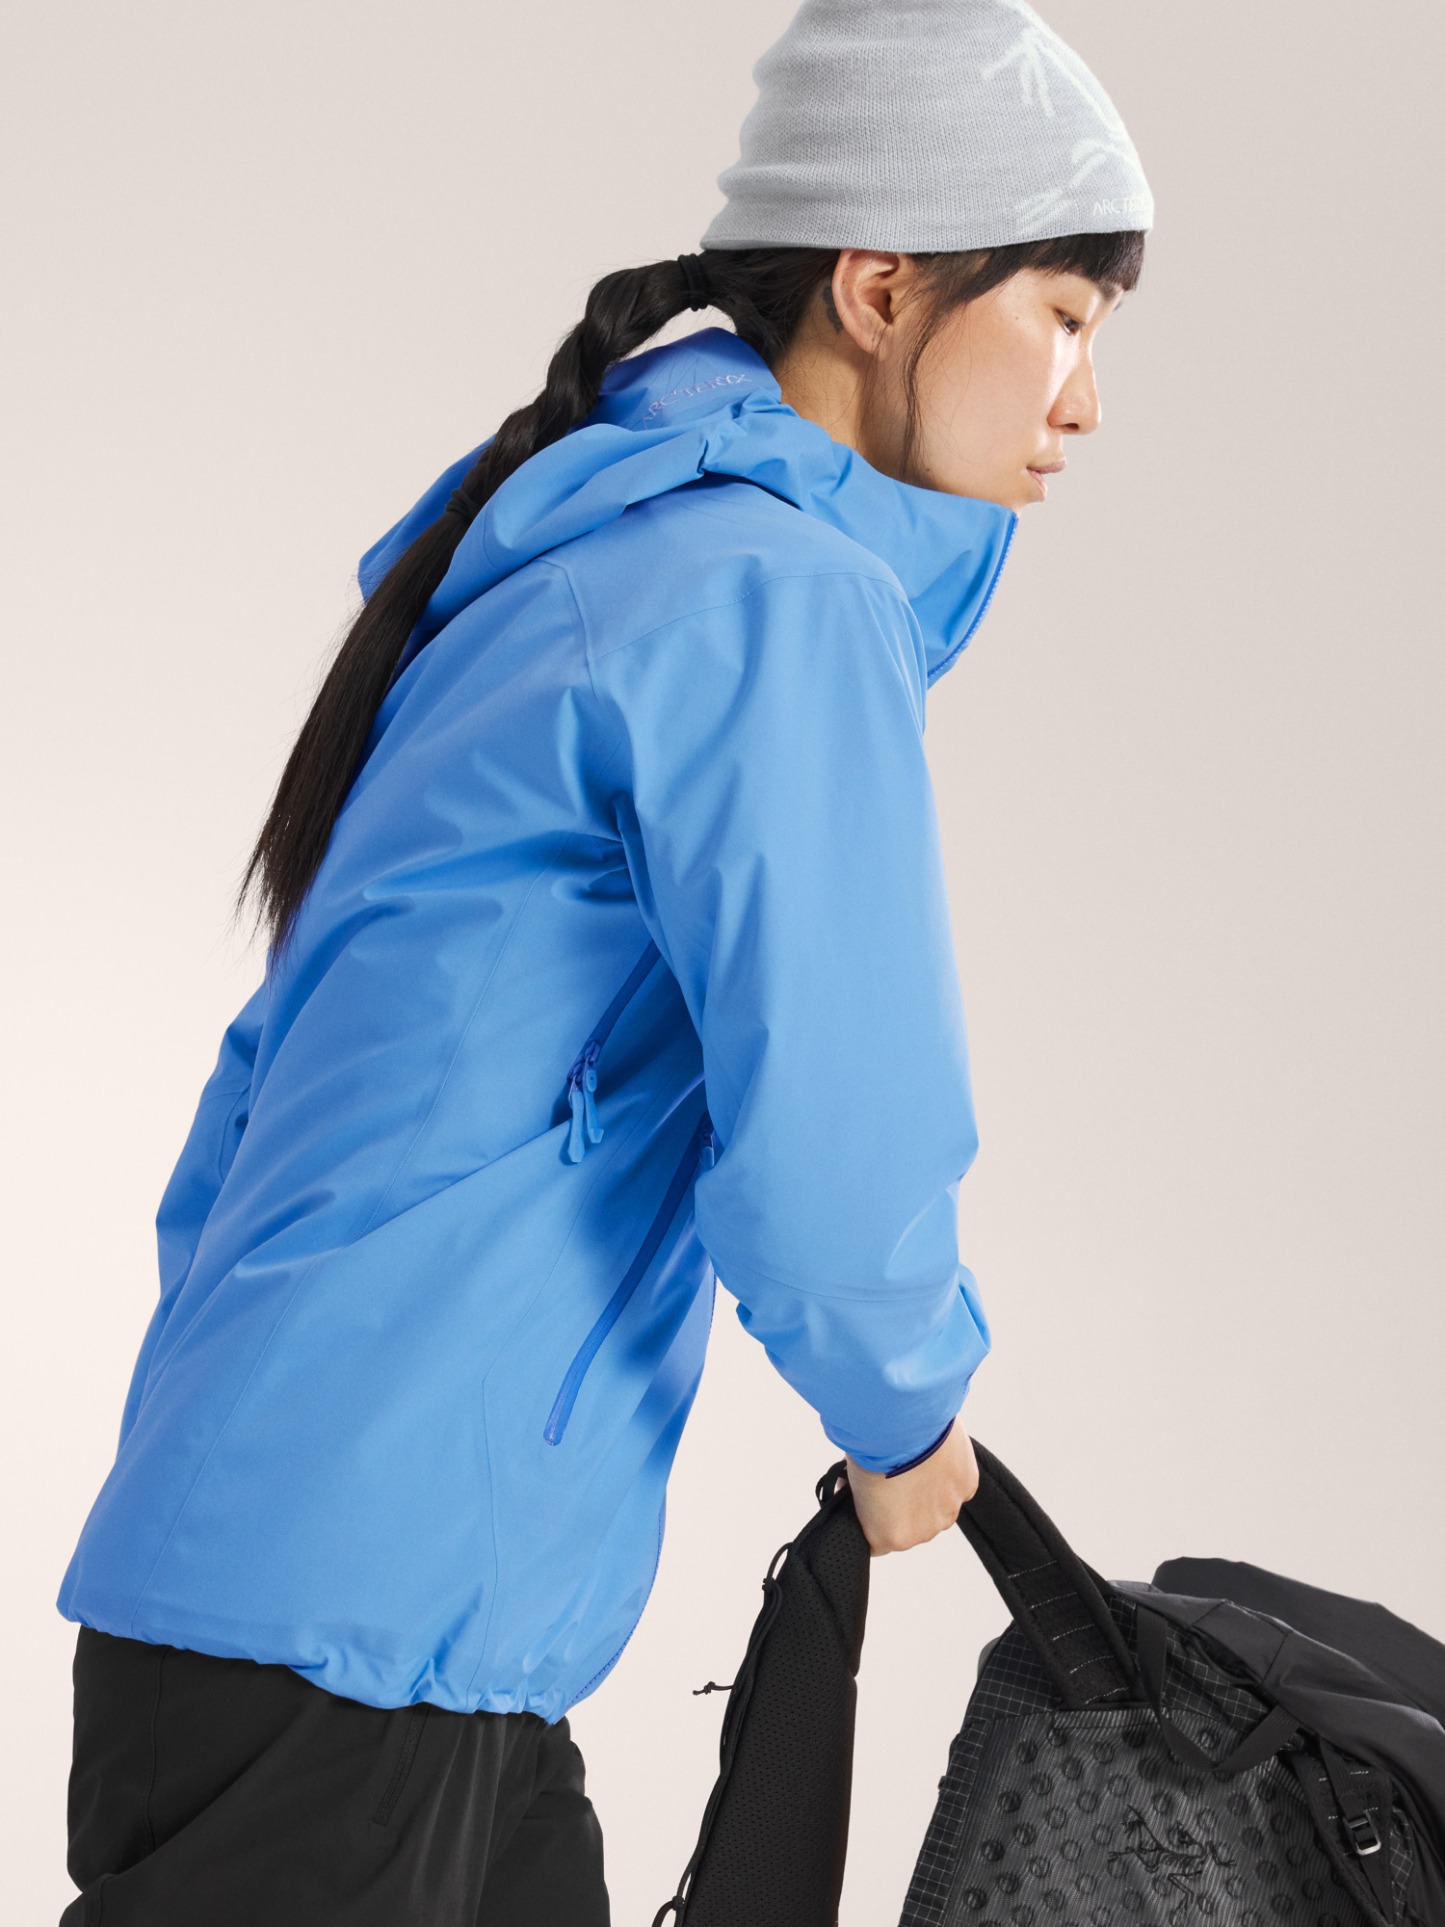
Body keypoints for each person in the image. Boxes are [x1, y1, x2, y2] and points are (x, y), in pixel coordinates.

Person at [55, 1, 1152, 1921]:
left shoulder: (601, 548)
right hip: (362, 1644)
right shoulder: (768, 596)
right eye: (1062, 315)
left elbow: (255, 1091)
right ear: (881, 287)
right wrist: (904, 1412)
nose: (1083, 400)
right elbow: (832, 1152)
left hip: (351, 1608)